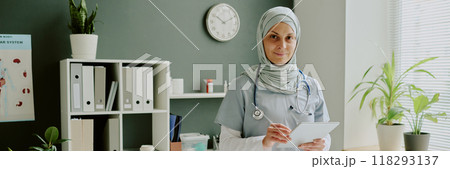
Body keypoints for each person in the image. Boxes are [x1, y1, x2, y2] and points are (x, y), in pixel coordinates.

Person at [214, 6, 330, 151]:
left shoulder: (311, 86)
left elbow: (325, 137)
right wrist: (263, 143)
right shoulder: (241, 86)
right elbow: (225, 145)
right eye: (273, 36)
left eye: (289, 38)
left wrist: (322, 145)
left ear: (297, 41)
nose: (282, 45)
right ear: (261, 40)